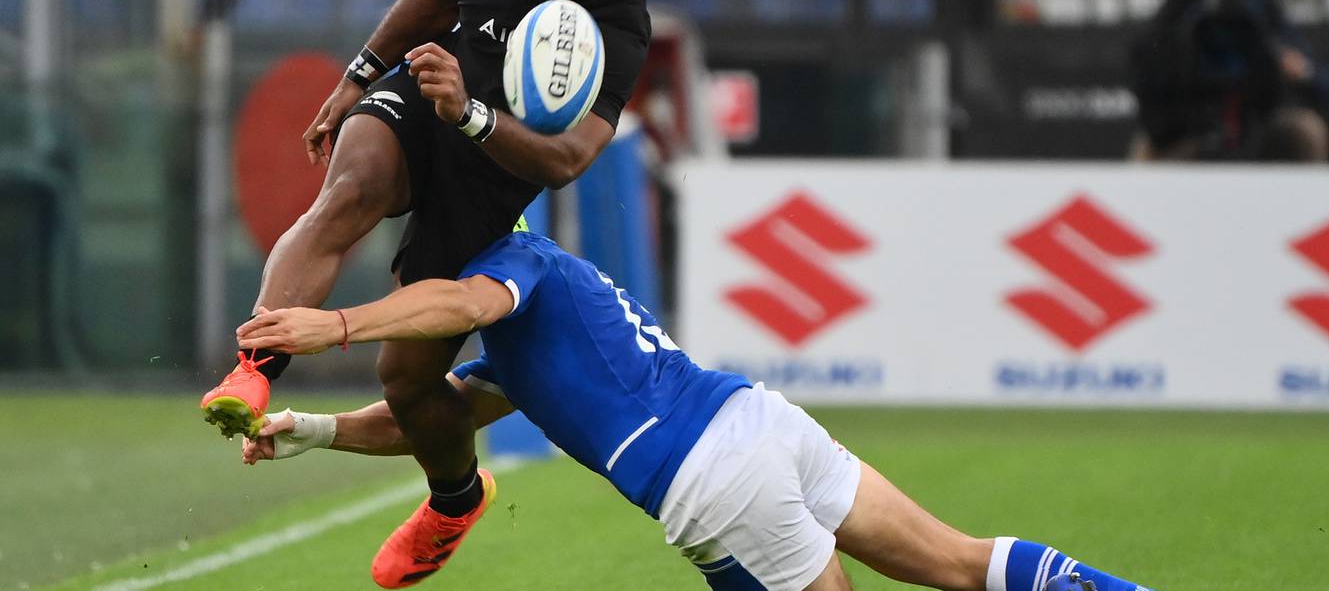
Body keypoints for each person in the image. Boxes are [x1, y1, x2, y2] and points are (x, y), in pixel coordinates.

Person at [234, 232, 1156, 591]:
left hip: (715, 481)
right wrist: (308, 432)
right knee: (961, 563)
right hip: (760, 425)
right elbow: (429, 418)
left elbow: (463, 307)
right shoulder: (540, 335)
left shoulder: (512, 266)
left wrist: (336, 324)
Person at [199, 0, 652, 570]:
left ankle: (454, 500)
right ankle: (253, 369)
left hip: (492, 174)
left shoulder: (621, 25)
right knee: (346, 194)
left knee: (407, 381)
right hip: (426, 95)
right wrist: (361, 74)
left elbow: (566, 161)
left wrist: (470, 113)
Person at [1129, 0, 1329, 162]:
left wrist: (1300, 71)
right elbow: (1143, 66)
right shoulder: (1185, 9)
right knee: (1146, 146)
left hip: (1257, 121)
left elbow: (1326, 85)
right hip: (1188, 121)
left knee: (1308, 130)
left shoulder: (1262, 9)